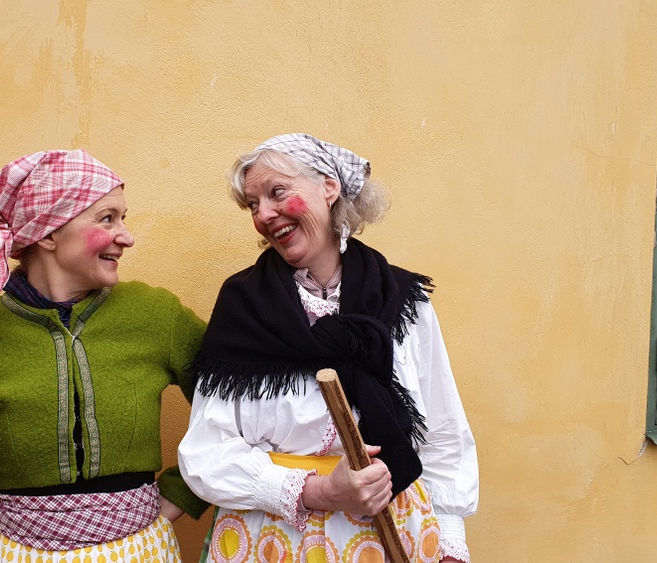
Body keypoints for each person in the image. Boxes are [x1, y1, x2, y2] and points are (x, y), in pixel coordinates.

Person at [0, 149, 207, 562]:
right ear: (48, 233)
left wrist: (182, 495)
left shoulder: (157, 316)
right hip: (12, 553)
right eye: (107, 218)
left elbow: (237, 408)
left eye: (123, 218)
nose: (126, 236)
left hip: (139, 550)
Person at [178, 133, 478, 563]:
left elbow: (442, 429)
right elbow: (206, 451)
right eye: (252, 204)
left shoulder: (402, 299)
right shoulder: (244, 307)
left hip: (392, 528)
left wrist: (450, 539)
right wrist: (319, 492)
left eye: (277, 192)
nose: (263, 214)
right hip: (273, 538)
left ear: (328, 186)